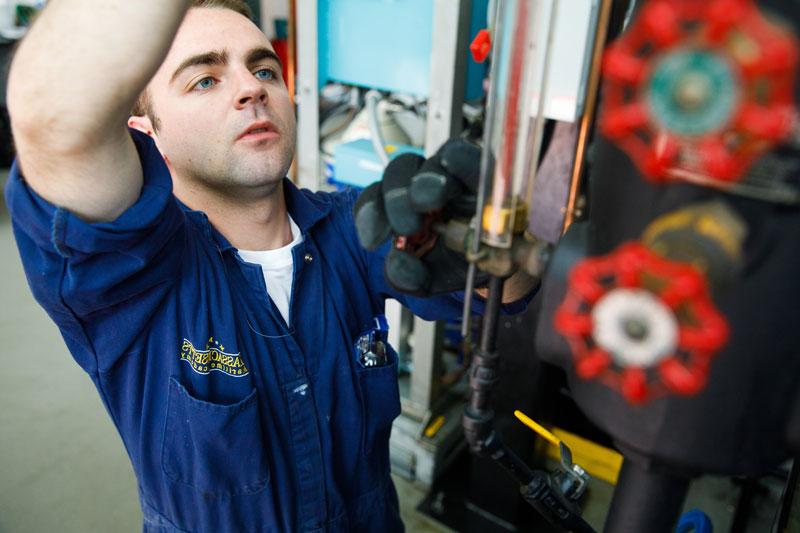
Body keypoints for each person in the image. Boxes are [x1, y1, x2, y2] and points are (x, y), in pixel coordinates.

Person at [4, 1, 536, 531]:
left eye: (263, 70)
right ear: (146, 133)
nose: (251, 88)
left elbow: (510, 292)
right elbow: (53, 120)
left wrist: (493, 251)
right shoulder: (135, 277)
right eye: (204, 80)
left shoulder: (350, 228)